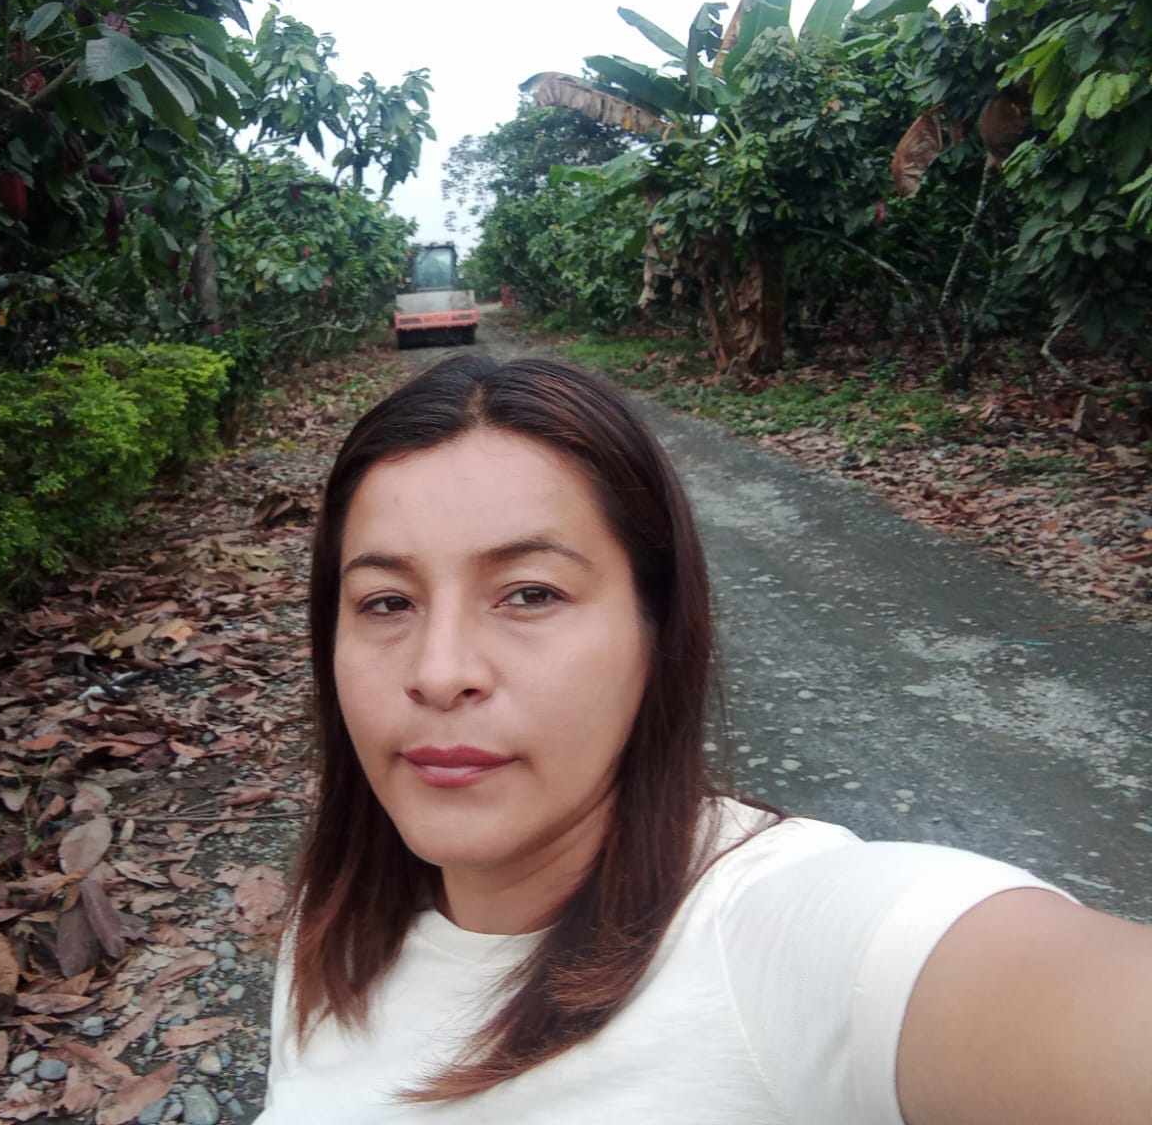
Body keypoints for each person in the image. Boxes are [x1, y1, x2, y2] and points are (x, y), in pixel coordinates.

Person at [258, 355, 1152, 1124]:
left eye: (531, 593)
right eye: (386, 602)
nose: (439, 670)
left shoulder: (779, 941)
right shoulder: (333, 927)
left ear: (657, 631)